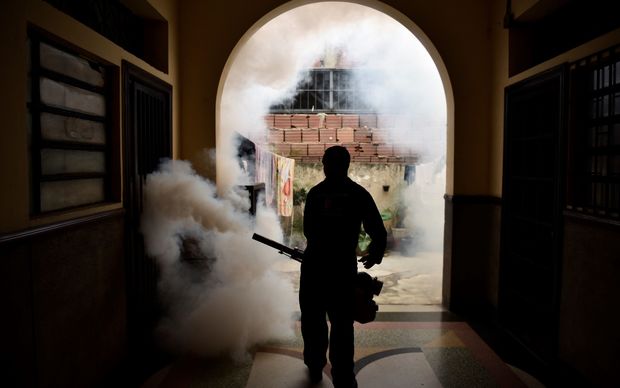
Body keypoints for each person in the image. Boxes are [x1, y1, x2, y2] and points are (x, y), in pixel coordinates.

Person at [301, 146, 387, 387]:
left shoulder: (316, 194)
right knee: (341, 323)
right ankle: (343, 374)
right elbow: (378, 231)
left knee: (313, 320)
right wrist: (374, 254)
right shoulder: (357, 193)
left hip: (315, 268)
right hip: (341, 268)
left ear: (325, 164)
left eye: (328, 162)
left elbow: (309, 231)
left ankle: (315, 365)